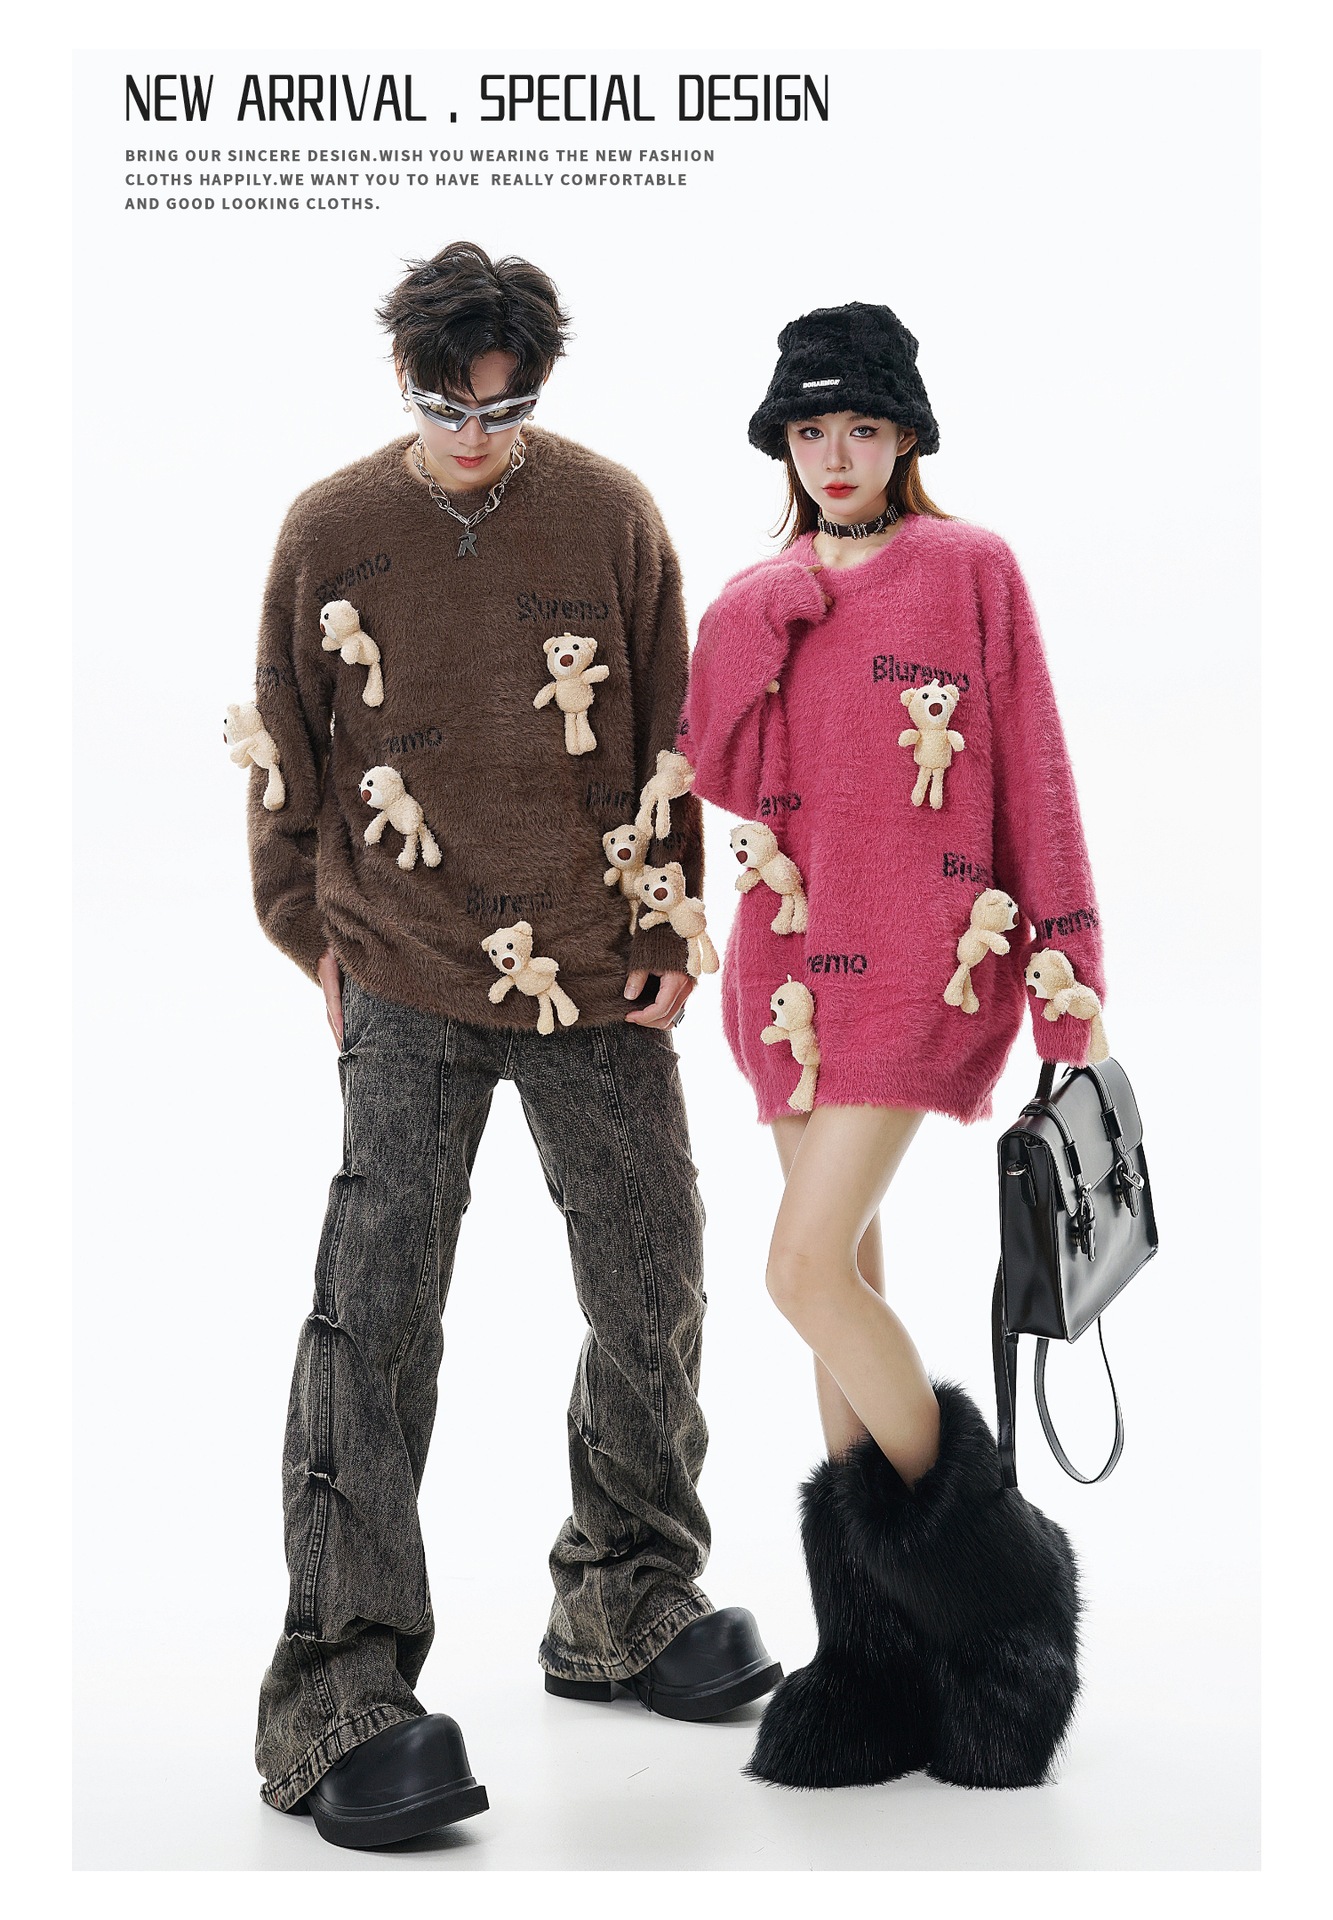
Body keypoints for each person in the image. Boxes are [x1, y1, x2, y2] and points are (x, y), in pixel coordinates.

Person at [238, 240, 780, 1851]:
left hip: (591, 970)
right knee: (377, 1310)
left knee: (652, 1265)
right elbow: (283, 747)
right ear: (404, 380)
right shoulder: (329, 528)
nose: (475, 435)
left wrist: (672, 923)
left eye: (506, 408)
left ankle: (624, 1588)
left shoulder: (607, 514)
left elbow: (670, 730)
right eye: (446, 405)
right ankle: (337, 1686)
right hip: (403, 968)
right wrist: (309, 935)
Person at [677, 302, 1098, 1791]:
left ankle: (1003, 1595)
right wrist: (773, 601)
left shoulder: (968, 565)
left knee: (799, 1270)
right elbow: (715, 760)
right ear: (783, 445)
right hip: (788, 967)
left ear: (906, 434)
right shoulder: (762, 590)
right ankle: (869, 1654)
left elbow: (1034, 764)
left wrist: (1067, 971)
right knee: (840, 1288)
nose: (836, 456)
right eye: (810, 431)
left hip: (925, 957)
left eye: (861, 427)